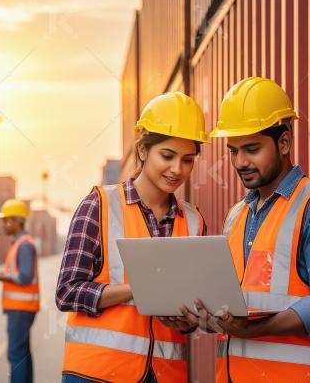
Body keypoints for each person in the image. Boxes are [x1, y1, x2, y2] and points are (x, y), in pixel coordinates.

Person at [180, 77, 310, 382]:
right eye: (233, 151)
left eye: (251, 149)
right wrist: (199, 319)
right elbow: (237, 306)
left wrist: (255, 330)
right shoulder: (237, 216)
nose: (240, 162)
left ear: (284, 143)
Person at [56, 91, 209, 383]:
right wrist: (137, 288)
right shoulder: (99, 205)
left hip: (164, 375)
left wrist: (190, 320)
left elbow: (193, 311)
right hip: (96, 373)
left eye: (187, 160)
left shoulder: (193, 221)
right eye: (167, 156)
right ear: (142, 151)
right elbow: (67, 292)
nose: (177, 169)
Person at [0, 199, 40, 383]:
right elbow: (19, 273)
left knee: (16, 354)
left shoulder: (24, 244)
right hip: (22, 308)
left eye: (6, 220)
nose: (3, 224)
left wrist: (0, 277)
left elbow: (24, 277)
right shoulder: (20, 243)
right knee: (23, 353)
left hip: (21, 308)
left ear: (17, 221)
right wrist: (3, 274)